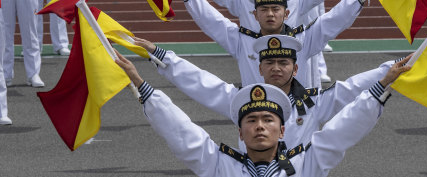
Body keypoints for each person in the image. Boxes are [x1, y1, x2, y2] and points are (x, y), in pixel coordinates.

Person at [115, 47, 410, 176]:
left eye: (268, 120)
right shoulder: (220, 166)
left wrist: (382, 84)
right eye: (251, 120)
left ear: (282, 131)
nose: (259, 126)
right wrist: (142, 87)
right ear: (240, 132)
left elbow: (344, 129)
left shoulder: (308, 163)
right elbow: (182, 131)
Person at [132, 34, 411, 149]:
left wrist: (388, 71)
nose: (277, 68)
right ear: (260, 69)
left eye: (283, 62)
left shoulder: (314, 101)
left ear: (296, 68)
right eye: (270, 63)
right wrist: (162, 56)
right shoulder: (242, 102)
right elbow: (203, 83)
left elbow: (351, 88)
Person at [160, 0, 391, 88]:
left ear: (286, 13)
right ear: (255, 14)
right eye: (264, 10)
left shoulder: (303, 39)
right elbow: (211, 19)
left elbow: (335, 18)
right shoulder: (241, 41)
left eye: (276, 9)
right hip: (256, 118)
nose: (270, 14)